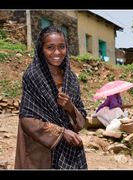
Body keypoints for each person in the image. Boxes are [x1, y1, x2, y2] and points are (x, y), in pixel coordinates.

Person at [15, 26, 88, 169]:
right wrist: (61, 132)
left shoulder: (71, 79)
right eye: (50, 47)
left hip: (68, 151)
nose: (57, 52)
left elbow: (81, 120)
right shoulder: (33, 76)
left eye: (62, 47)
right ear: (41, 50)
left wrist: (70, 107)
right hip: (39, 148)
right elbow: (27, 119)